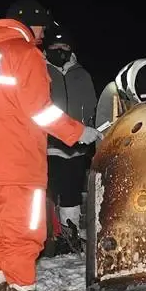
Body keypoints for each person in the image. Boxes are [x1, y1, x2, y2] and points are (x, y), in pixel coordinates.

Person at [0, 0, 101, 291]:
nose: (42, 34)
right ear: (28, 23)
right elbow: (40, 111)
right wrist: (79, 133)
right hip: (19, 161)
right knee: (25, 229)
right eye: (40, 26)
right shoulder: (26, 54)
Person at [41, 24, 97, 256]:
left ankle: (70, 235)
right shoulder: (40, 70)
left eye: (64, 46)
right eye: (55, 46)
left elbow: (91, 106)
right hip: (47, 145)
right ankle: (47, 236)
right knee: (48, 193)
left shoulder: (81, 74)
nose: (60, 51)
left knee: (72, 193)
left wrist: (89, 132)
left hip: (76, 146)